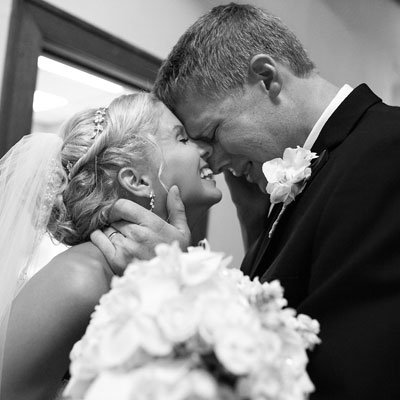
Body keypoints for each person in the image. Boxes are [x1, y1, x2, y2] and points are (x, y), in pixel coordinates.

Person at [92, 3, 400, 400]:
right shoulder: (301, 177)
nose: (215, 162)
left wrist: (177, 284)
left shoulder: (386, 150)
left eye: (213, 134)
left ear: (266, 77)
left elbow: (350, 371)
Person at [0, 92, 221, 400]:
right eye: (182, 139)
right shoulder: (80, 278)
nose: (205, 148)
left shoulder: (152, 268)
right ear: (138, 181)